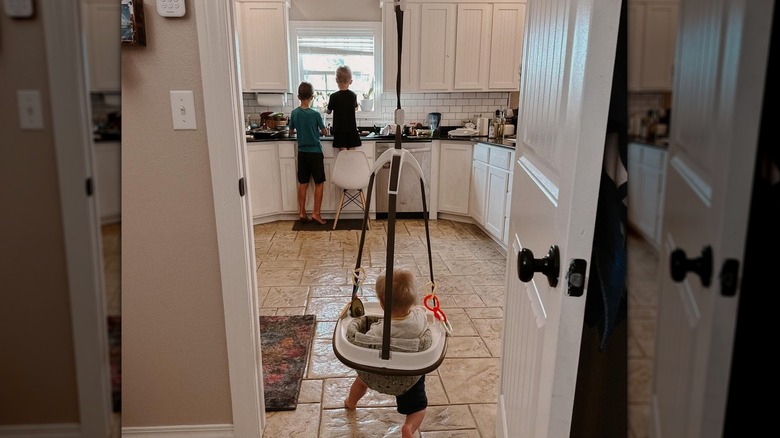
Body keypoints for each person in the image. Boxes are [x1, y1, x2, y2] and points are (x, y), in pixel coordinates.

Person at [344, 269, 430, 438]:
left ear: (382, 303)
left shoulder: (378, 331)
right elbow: (426, 319)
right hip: (408, 378)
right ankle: (409, 428)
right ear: (413, 301)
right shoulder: (419, 320)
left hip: (373, 374)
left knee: (360, 382)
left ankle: (351, 402)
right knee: (419, 407)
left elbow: (364, 342)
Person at [288, 81, 328, 224]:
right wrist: (322, 130)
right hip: (315, 152)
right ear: (312, 97)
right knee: (319, 183)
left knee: (303, 183)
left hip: (302, 152)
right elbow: (324, 132)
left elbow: (291, 131)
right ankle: (316, 213)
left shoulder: (294, 113)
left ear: (298, 97)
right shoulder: (316, 114)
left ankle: (302, 212)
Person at [327, 65, 362, 151]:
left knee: (343, 155)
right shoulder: (353, 95)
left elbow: (328, 111)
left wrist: (326, 109)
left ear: (336, 80)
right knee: (352, 155)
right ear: (351, 81)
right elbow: (355, 108)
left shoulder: (333, 96)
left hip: (339, 131)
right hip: (352, 130)